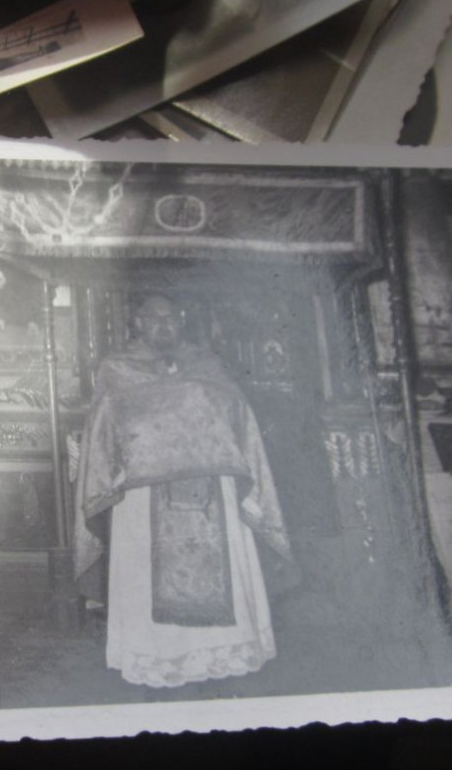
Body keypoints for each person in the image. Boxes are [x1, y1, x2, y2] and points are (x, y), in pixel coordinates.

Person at [74, 293, 292, 689]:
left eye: (171, 317)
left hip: (214, 489)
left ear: (182, 320)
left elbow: (236, 412)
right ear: (136, 322)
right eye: (153, 317)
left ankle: (222, 656)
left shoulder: (207, 364)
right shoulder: (117, 368)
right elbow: (105, 427)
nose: (163, 324)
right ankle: (156, 658)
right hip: (141, 493)